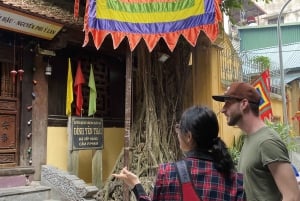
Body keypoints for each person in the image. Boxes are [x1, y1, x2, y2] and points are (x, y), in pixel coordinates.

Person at [113, 105, 245, 201]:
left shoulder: (168, 172)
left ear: (188, 136)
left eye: (179, 128)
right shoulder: (235, 179)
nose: (177, 133)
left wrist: (137, 187)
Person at [212, 82, 300, 201]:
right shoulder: (249, 138)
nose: (223, 109)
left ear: (244, 104)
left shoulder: (267, 142)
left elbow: (292, 196)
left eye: (228, 103)